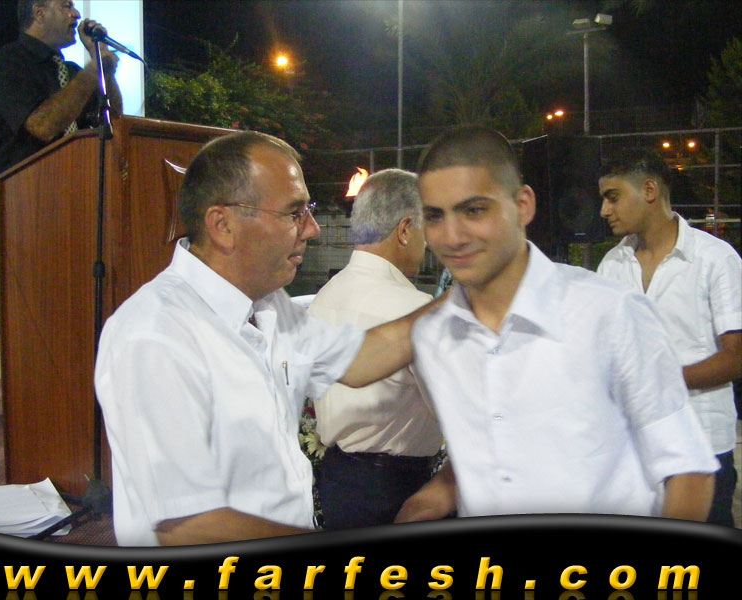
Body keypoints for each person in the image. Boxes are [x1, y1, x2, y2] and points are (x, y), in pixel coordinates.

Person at [94, 131, 438, 546]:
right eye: (294, 213)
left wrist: (464, 302)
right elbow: (189, 528)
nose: (312, 229)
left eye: (308, 211)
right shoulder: (156, 335)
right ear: (223, 226)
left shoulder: (269, 305)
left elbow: (360, 357)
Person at [394, 126, 719, 524]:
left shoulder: (609, 311)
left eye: (474, 210)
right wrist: (430, 500)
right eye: (434, 216)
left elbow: (688, 467)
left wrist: (653, 379)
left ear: (523, 206)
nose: (452, 236)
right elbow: (488, 453)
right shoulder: (437, 337)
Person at [0, 0, 123, 406]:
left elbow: (113, 125)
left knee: (69, 311)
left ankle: (63, 411)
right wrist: (90, 73)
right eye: (66, 6)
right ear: (39, 13)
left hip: (67, 201)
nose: (76, 15)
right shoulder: (6, 64)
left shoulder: (71, 72)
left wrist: (104, 72)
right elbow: (42, 125)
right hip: (16, 197)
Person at [596, 148, 742, 526]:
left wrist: (661, 380)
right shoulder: (611, 265)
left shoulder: (716, 259)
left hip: (702, 447)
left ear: (649, 190)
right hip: (633, 450)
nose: (604, 210)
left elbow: (736, 356)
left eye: (613, 197)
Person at [308, 169, 443, 529]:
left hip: (338, 478)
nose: (428, 243)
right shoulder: (414, 310)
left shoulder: (324, 297)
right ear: (405, 230)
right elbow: (453, 409)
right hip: (396, 488)